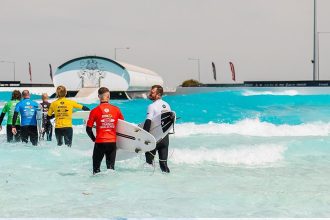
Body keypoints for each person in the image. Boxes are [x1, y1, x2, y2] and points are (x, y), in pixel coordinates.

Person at [86, 87, 124, 174]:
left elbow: (88, 129)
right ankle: (110, 186)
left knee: (96, 170)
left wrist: (93, 139)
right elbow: (122, 126)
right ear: (109, 96)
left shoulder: (94, 111)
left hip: (100, 142)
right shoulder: (116, 109)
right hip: (112, 143)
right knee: (111, 170)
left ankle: (98, 186)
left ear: (99, 96)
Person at [143, 85, 171, 173]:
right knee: (164, 164)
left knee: (149, 165)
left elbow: (148, 122)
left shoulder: (152, 106)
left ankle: (150, 185)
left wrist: (143, 136)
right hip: (164, 138)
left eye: (152, 92)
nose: (150, 94)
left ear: (158, 95)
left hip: (153, 139)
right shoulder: (167, 105)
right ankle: (168, 181)